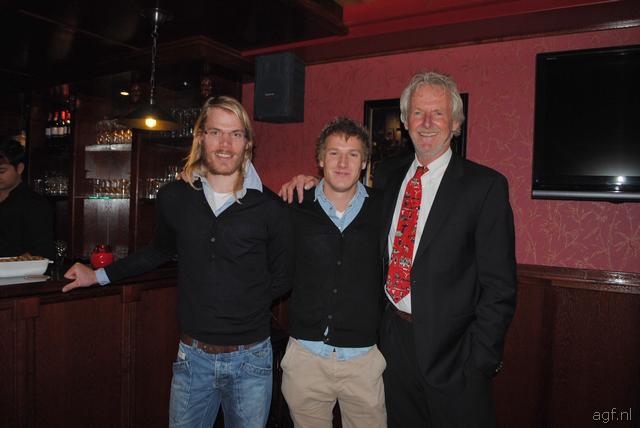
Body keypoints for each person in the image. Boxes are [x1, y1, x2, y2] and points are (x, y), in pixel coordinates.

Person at [279, 71, 517, 428]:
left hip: (454, 353)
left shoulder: (485, 186)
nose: (427, 122)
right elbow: (344, 198)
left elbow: (500, 286)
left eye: (438, 113)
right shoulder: (388, 175)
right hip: (391, 344)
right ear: (405, 122)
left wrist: (481, 359)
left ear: (455, 122)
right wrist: (310, 184)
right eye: (418, 113)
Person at [62, 96, 294, 428]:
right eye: (216, 132)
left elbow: (284, 276)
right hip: (192, 357)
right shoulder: (174, 197)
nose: (225, 144)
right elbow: (158, 251)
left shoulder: (271, 208)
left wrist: (243, 306)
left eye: (236, 134)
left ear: (247, 144)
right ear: (200, 137)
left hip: (251, 360)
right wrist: (97, 276)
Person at [281, 117, 386, 428]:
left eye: (353, 154)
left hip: (364, 360)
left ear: (364, 162)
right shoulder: (294, 205)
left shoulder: (385, 207)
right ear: (320, 159)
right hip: (306, 358)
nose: (342, 163)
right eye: (334, 153)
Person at [0, 137, 55, 259]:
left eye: (1, 171)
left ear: (19, 168)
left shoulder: (35, 205)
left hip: (17, 270)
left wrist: (30, 257)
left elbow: (43, 251)